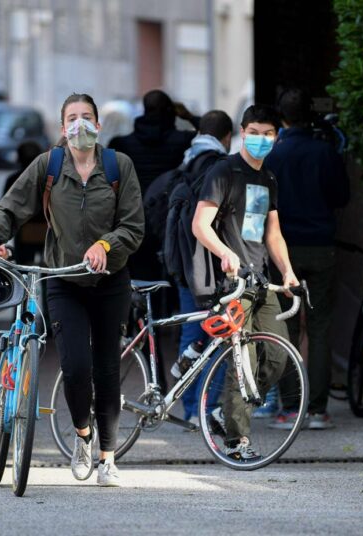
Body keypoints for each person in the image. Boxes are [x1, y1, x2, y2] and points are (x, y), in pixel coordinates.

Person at [0, 93, 144, 487]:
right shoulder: (48, 166)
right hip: (63, 279)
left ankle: (107, 459)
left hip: (110, 281)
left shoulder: (119, 167)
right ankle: (83, 436)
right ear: (62, 125)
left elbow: (134, 226)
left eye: (87, 118)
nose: (80, 125)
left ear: (98, 126)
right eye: (72, 118)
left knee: (106, 369)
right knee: (76, 368)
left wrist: (105, 246)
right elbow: (11, 208)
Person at [192, 104, 299, 461]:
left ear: (276, 137)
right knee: (244, 363)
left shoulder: (268, 177)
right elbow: (200, 224)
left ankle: (225, 415)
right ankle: (237, 442)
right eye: (253, 132)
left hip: (260, 278)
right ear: (241, 132)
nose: (260, 139)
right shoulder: (224, 172)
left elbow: (273, 233)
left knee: (280, 356)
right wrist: (225, 253)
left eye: (268, 133)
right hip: (230, 283)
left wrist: (287, 271)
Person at [263, 88, 350, 429]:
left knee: (283, 326)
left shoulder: (272, 156)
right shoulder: (325, 151)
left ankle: (289, 409)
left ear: (280, 119)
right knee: (321, 326)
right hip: (322, 245)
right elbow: (341, 195)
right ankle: (317, 410)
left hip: (281, 247)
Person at [166, 110, 233, 424]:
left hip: (184, 262)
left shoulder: (185, 162)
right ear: (228, 137)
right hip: (213, 265)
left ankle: (190, 408)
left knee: (191, 334)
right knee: (218, 335)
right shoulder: (220, 167)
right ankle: (207, 410)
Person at [110, 90, 198, 283]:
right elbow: (213, 134)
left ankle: (142, 313)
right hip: (171, 220)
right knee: (174, 283)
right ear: (171, 112)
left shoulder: (122, 144)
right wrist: (189, 117)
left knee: (140, 282)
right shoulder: (184, 141)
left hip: (134, 219)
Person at [3, 141, 45, 265]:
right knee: (47, 273)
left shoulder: (12, 180)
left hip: (23, 232)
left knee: (24, 270)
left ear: (19, 159)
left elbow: (4, 208)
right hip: (47, 231)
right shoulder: (49, 179)